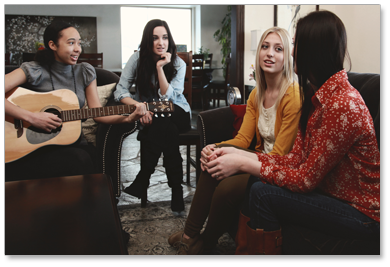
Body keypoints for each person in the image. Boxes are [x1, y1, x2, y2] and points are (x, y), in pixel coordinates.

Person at [201, 10, 381, 255]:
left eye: (295, 44)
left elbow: (305, 179)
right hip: (332, 196)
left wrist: (244, 163)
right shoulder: (319, 97)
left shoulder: (343, 104)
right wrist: (238, 157)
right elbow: (295, 158)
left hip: (362, 213)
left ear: (313, 49)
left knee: (263, 192)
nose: (292, 51)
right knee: (258, 179)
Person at [168, 27, 301, 255]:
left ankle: (206, 242)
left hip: (277, 169)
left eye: (278, 49)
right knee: (212, 161)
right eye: (265, 47)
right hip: (259, 159)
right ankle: (190, 236)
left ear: (287, 56)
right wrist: (216, 148)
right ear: (258, 52)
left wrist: (234, 158)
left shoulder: (293, 95)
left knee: (226, 187)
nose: (270, 53)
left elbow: (279, 157)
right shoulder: (256, 94)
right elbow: (243, 139)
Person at [5, 21, 146, 182]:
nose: (78, 49)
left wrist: (127, 118)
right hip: (34, 146)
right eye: (71, 43)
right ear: (52, 45)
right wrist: (31, 117)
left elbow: (98, 114)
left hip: (72, 141)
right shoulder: (33, 70)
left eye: (79, 43)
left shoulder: (84, 72)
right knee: (80, 160)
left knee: (88, 159)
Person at [114, 19, 191, 216]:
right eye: (155, 38)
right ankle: (176, 189)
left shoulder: (178, 63)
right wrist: (138, 107)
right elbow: (120, 91)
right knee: (167, 129)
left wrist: (160, 67)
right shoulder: (137, 59)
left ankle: (143, 178)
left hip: (178, 111)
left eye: (165, 37)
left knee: (163, 120)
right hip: (151, 114)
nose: (161, 42)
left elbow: (168, 98)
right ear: (147, 40)